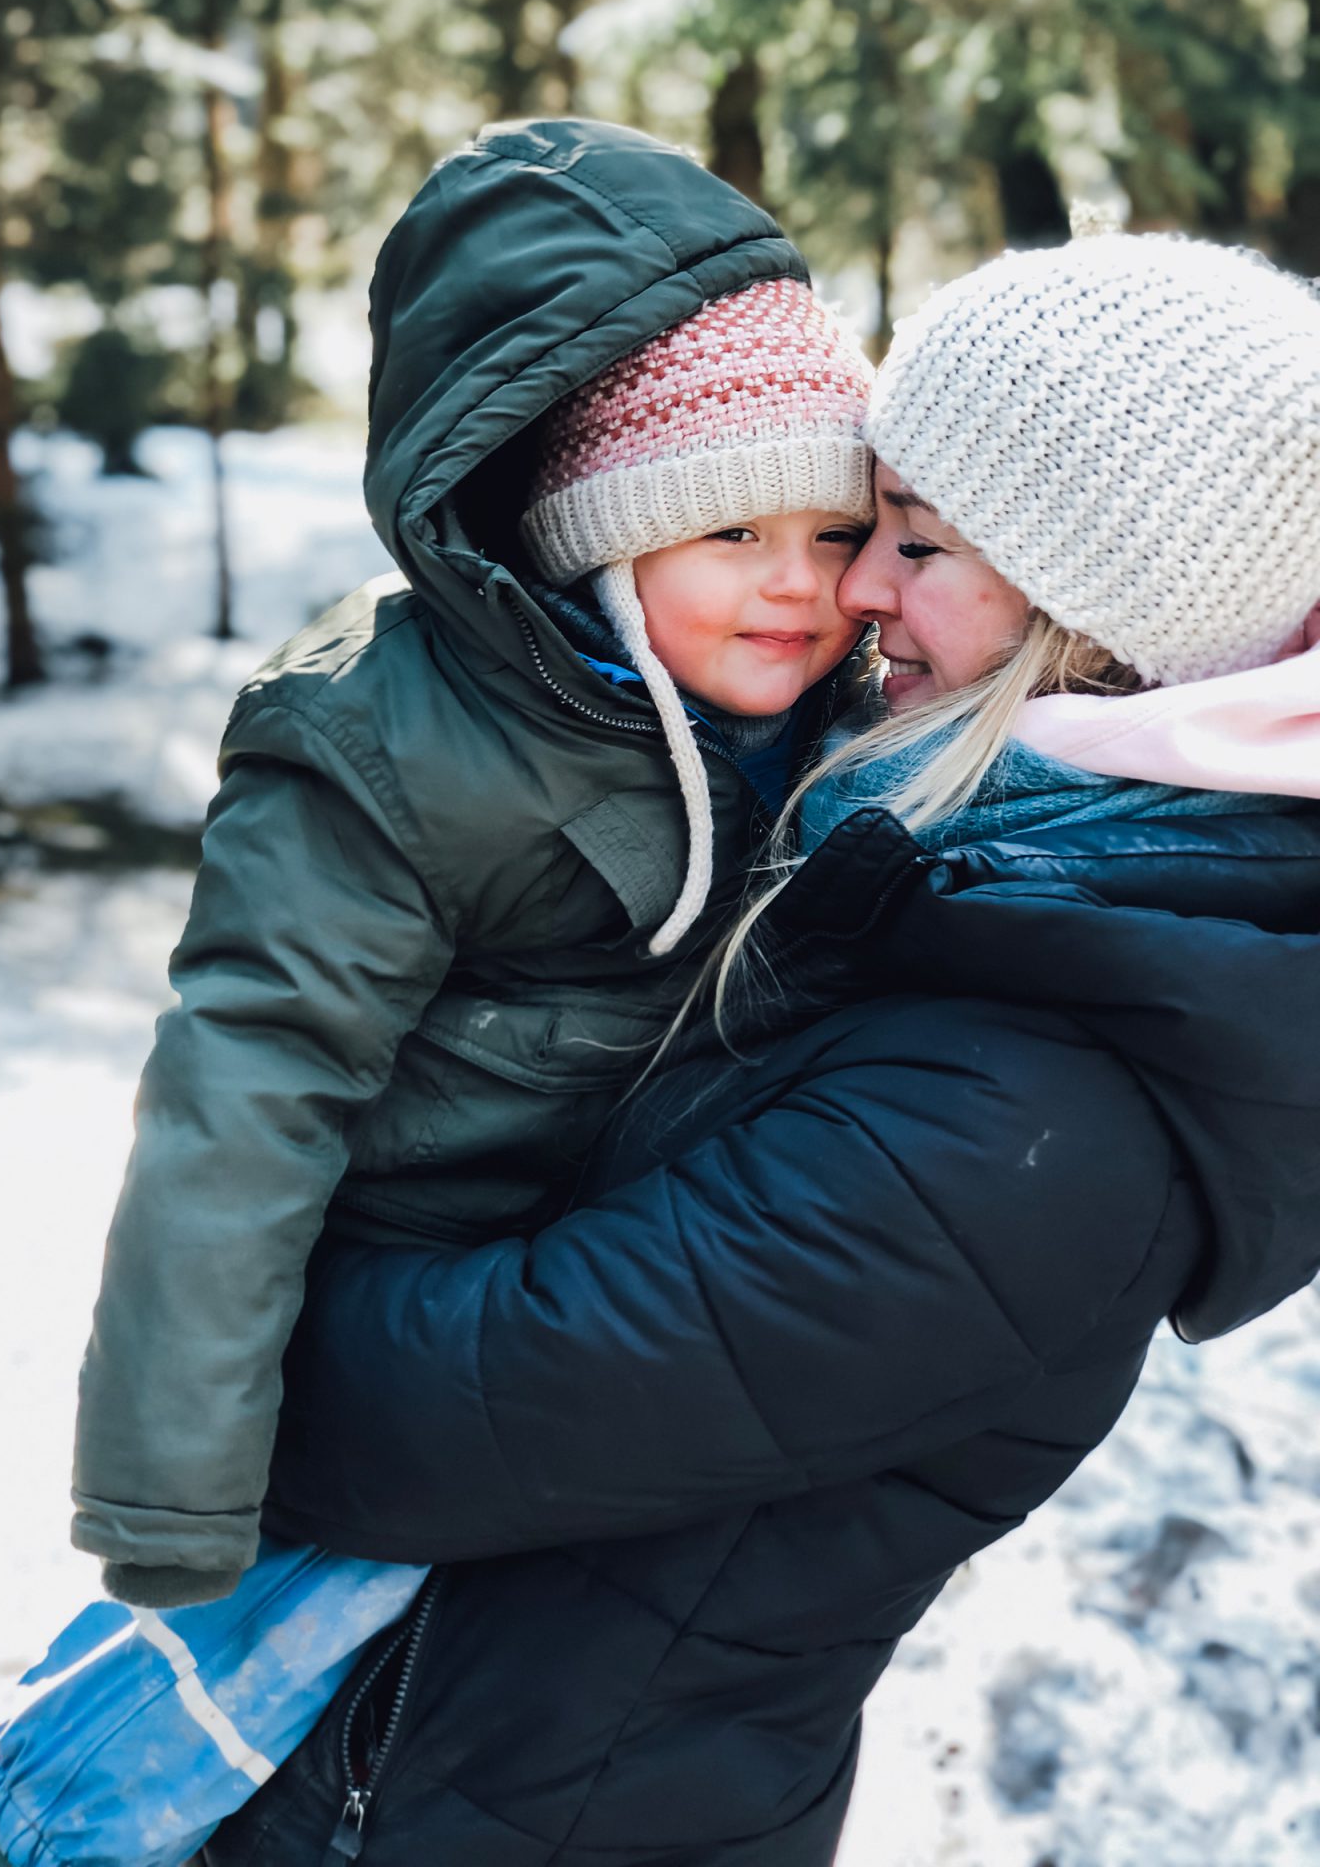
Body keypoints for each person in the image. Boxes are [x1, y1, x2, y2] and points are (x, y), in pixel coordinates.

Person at [206, 231, 1320, 1867]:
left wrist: (221, 1295)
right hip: (434, 1773)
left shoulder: (1041, 1115)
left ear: (1105, 621)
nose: (856, 587)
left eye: (919, 545)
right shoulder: (952, 883)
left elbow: (402, 1422)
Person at [0, 120, 878, 1867]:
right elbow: (244, 1096)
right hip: (389, 1307)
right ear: (598, 534)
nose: (799, 587)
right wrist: (179, 1483)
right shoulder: (386, 742)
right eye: (730, 529)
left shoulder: (810, 717)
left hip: (580, 1313)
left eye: (834, 527)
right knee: (156, 1756)